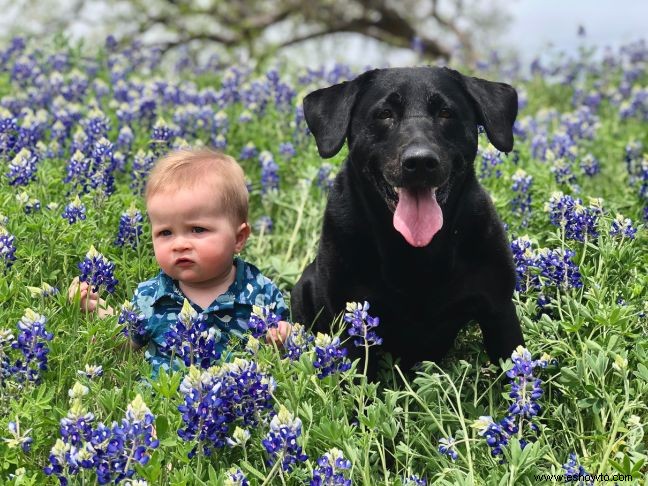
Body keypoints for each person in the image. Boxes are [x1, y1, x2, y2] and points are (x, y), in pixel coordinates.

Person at [68, 148, 291, 376]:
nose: (180, 244)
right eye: (166, 233)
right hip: (164, 401)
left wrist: (283, 338)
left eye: (197, 229)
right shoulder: (151, 296)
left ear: (238, 238)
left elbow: (289, 343)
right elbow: (127, 341)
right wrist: (99, 310)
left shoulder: (260, 291)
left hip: (235, 400)